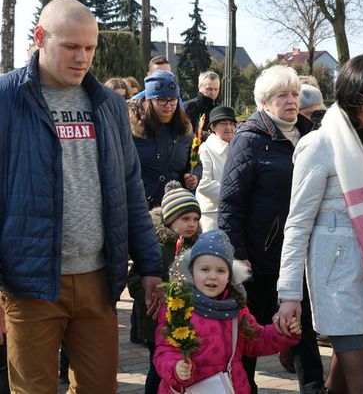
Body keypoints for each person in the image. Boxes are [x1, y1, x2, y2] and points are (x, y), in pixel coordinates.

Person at [0, 0, 163, 393]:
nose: (82, 57)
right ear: (40, 37)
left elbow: (129, 189)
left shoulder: (108, 104)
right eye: (71, 46)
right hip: (29, 284)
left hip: (99, 280)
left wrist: (151, 267)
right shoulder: (6, 99)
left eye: (90, 47)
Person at [275, 54, 363, 394]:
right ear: (347, 96)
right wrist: (289, 295)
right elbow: (297, 225)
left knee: (340, 383)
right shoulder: (318, 145)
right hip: (336, 284)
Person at [219, 64, 325, 394]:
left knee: (304, 334)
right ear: (265, 102)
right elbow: (230, 202)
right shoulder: (249, 140)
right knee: (250, 337)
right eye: (282, 95)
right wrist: (238, 255)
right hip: (262, 259)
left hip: (304, 257)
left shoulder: (312, 136)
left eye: (294, 94)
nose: (291, 101)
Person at [153, 230, 301, 394]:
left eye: (221, 271)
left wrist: (282, 333)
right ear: (191, 271)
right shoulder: (177, 307)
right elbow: (164, 351)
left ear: (230, 276)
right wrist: (176, 367)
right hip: (188, 388)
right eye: (205, 269)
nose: (213, 276)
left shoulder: (235, 308)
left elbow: (255, 339)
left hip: (231, 386)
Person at [128, 181, 201, 394]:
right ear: (169, 220)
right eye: (185, 219)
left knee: (185, 366)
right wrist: (152, 296)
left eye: (195, 219)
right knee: (158, 367)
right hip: (155, 322)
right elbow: (134, 281)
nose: (192, 224)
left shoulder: (197, 247)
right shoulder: (154, 247)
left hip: (189, 320)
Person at [129, 69, 199, 208]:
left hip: (175, 211)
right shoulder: (133, 131)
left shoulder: (185, 130)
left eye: (173, 100)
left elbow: (194, 160)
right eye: (161, 100)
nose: (168, 105)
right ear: (149, 100)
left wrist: (193, 176)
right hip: (141, 210)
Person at [196, 106, 236, 232]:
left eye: (231, 124)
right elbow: (203, 183)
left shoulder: (238, 147)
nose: (228, 128)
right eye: (223, 124)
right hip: (212, 215)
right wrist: (234, 195)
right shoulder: (205, 149)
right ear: (213, 127)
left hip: (235, 213)